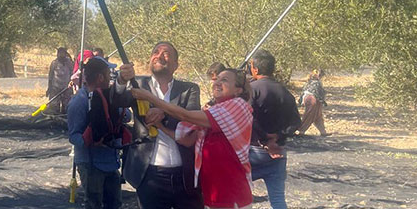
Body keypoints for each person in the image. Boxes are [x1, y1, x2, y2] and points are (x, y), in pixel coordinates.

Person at [132, 68, 254, 209]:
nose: (217, 83)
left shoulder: (238, 106)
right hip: (213, 193)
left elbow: (186, 115)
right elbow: (186, 140)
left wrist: (150, 97)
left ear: (238, 90)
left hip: (232, 194)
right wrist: (159, 125)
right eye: (217, 79)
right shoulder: (215, 111)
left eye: (225, 80)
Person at [113, 42, 203, 209]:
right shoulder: (137, 84)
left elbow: (191, 118)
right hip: (149, 174)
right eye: (156, 51)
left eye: (166, 53)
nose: (159, 55)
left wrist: (163, 111)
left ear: (176, 65)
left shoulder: (189, 89)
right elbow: (117, 100)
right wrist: (121, 80)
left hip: (185, 175)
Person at [247, 50, 301, 209]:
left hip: (254, 152)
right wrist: (277, 137)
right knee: (277, 200)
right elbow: (296, 122)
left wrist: (265, 138)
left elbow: (248, 118)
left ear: (255, 69)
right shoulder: (285, 92)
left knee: (240, 196)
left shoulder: (252, 89)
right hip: (279, 153)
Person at [67, 57, 123, 209]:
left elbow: (126, 116)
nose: (111, 76)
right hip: (91, 165)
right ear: (100, 77)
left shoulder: (109, 97)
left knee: (114, 204)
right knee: (94, 204)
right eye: (108, 73)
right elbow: (73, 136)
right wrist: (91, 141)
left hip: (111, 162)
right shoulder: (79, 102)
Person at [297, 69, 329, 136]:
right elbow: (318, 93)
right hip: (313, 99)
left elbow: (303, 92)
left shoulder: (309, 82)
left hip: (308, 98)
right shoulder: (317, 83)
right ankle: (301, 131)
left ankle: (323, 132)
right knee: (310, 115)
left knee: (318, 115)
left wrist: (300, 100)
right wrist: (323, 101)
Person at [46, 47, 74, 114]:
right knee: (54, 108)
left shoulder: (69, 63)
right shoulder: (54, 63)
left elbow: (72, 74)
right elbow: (50, 76)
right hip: (55, 88)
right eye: (59, 53)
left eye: (62, 53)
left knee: (67, 108)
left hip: (66, 88)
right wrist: (49, 88)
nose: (61, 55)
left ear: (65, 54)